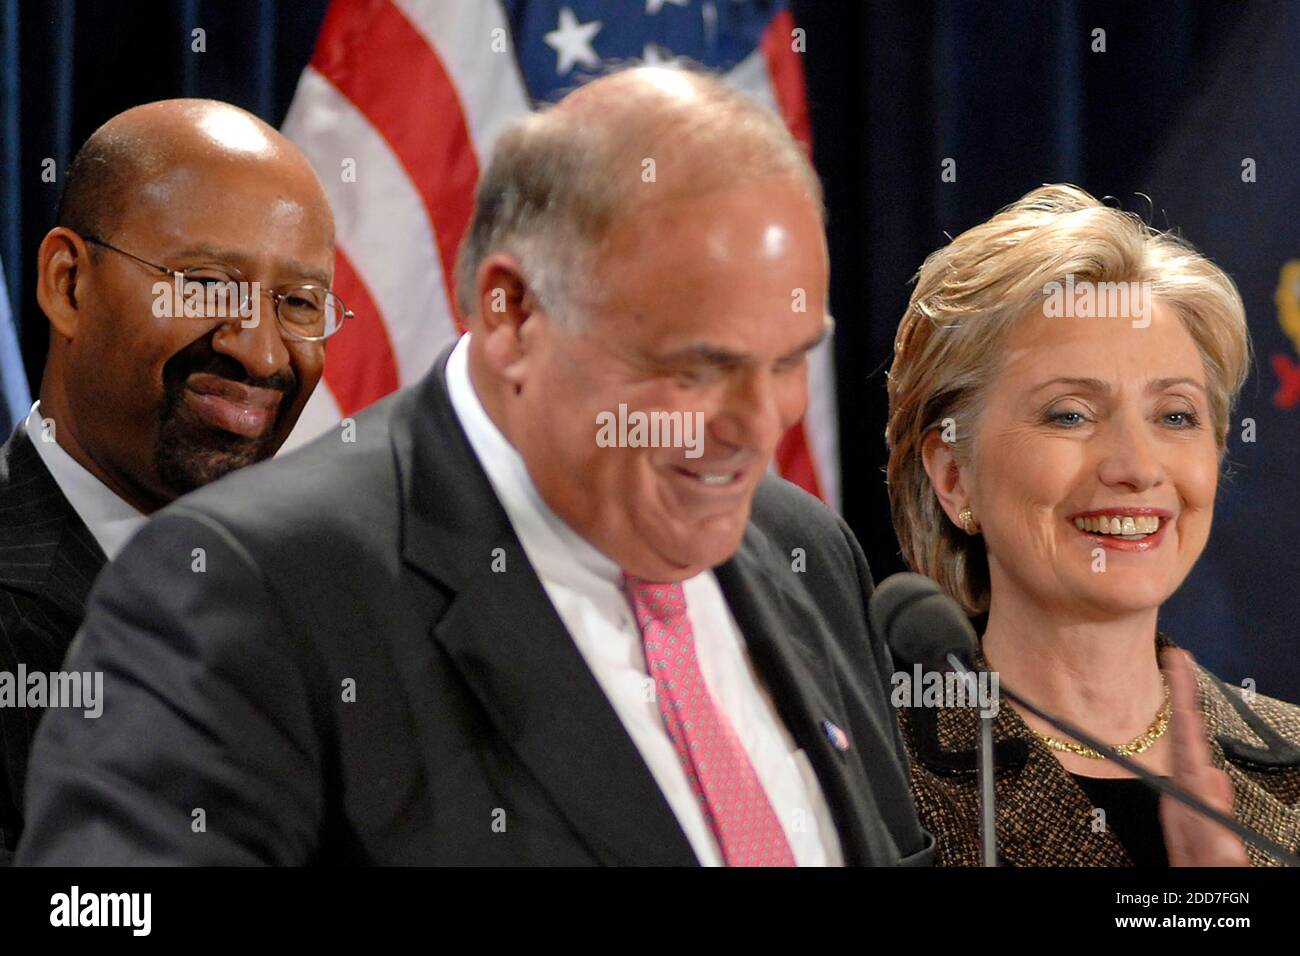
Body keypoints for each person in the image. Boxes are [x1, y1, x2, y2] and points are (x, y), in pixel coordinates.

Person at [17, 67, 932, 866]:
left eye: (786, 363)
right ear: (511, 314)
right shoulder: (260, 588)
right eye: (696, 366)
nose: (756, 423)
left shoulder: (805, 549)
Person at [885, 184, 1300, 866]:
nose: (1137, 467)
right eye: (1070, 414)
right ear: (953, 473)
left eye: (1175, 416)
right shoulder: (871, 785)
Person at [0, 99, 339, 863]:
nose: (260, 353)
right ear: (68, 284)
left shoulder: (340, 616)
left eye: (297, 303)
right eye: (208, 284)